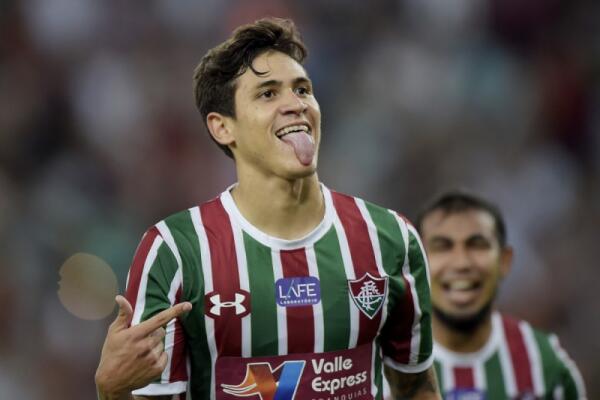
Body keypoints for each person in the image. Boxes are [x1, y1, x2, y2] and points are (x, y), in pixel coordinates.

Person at [95, 18, 441, 400]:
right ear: (222, 127)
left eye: (302, 89)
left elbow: (417, 387)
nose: (295, 104)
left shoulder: (390, 239)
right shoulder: (176, 252)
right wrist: (111, 392)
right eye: (268, 94)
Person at [414, 190, 586, 399]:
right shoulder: (384, 366)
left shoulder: (547, 365)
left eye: (477, 245)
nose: (461, 263)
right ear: (415, 263)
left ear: (504, 261)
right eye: (442, 247)